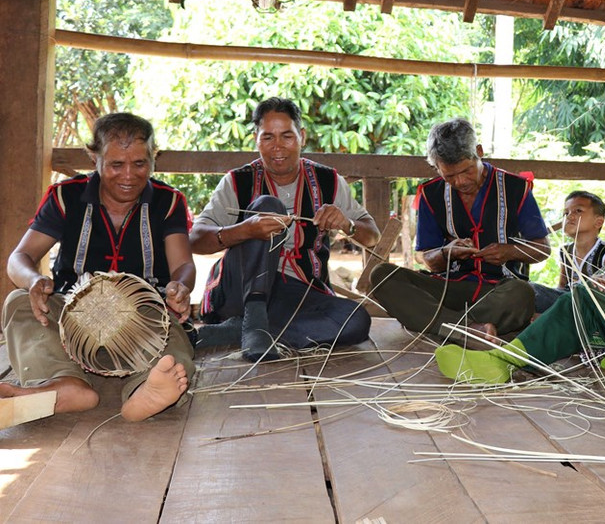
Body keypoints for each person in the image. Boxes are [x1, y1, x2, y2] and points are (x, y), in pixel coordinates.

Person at [0, 113, 195, 422]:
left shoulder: (168, 201)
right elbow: (18, 258)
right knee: (19, 303)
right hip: (70, 315)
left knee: (171, 335)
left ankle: (145, 389)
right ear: (95, 156)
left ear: (153, 157)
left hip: (145, 316)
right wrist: (34, 280)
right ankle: (65, 383)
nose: (129, 175)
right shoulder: (66, 196)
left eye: (140, 164)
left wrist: (180, 287)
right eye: (116, 165)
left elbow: (183, 264)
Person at [434, 204, 605, 403]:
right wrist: (597, 288)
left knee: (585, 298)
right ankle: (502, 359)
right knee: (577, 296)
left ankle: (507, 358)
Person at [191, 97, 380, 361]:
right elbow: (196, 240)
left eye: (287, 136)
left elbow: (372, 236)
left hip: (298, 293)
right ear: (255, 139)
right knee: (267, 205)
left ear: (302, 136)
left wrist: (347, 225)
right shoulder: (237, 181)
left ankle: (242, 330)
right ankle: (254, 320)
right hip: (239, 291)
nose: (277, 147)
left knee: (357, 321)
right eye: (267, 137)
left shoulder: (328, 181)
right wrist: (245, 230)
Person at [369, 118, 550, 344]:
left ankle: (447, 327)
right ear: (437, 168)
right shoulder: (430, 193)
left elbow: (543, 249)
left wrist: (510, 251)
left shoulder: (515, 188)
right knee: (381, 275)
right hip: (448, 289)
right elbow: (426, 258)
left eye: (466, 171)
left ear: (479, 152)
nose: (460, 181)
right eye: (449, 176)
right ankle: (470, 329)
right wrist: (447, 252)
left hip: (499, 292)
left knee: (522, 294)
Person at [531, 190, 605, 313]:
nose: (569, 216)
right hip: (568, 304)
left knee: (533, 290)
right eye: (566, 213)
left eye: (578, 211)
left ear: (598, 222)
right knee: (529, 289)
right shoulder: (566, 251)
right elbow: (562, 287)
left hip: (594, 309)